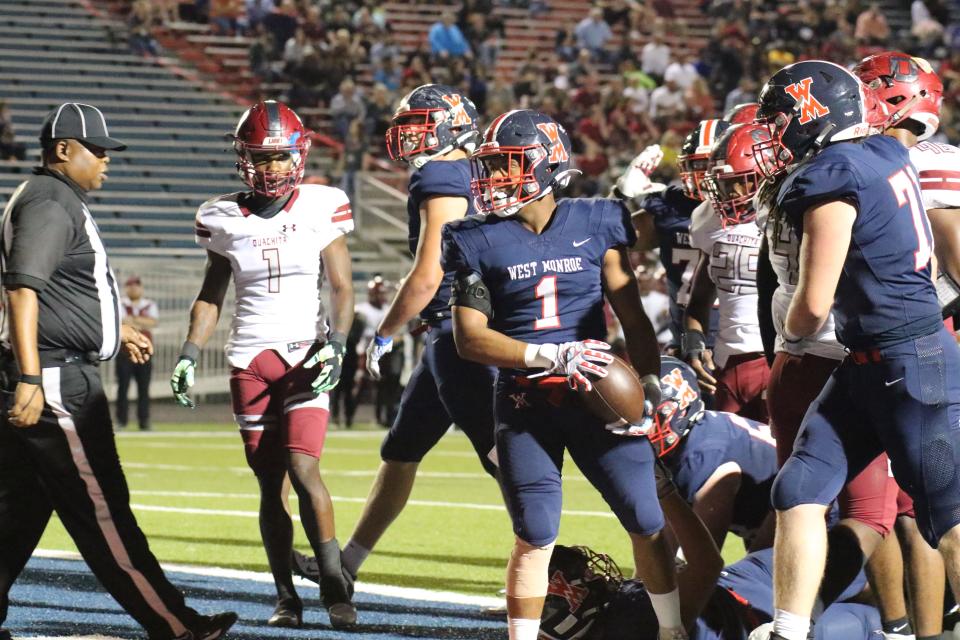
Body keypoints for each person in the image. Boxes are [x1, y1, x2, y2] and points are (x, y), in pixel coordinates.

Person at [442, 109, 685, 640]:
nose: (494, 179)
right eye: (492, 167)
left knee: (645, 518)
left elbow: (634, 317)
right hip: (526, 399)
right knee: (534, 532)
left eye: (507, 166)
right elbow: (469, 337)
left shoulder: (596, 220)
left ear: (548, 166)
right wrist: (550, 357)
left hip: (597, 394)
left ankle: (671, 631)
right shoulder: (474, 238)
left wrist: (649, 387)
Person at [0, 102, 236, 640]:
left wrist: (111, 330)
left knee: (18, 508)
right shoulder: (50, 200)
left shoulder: (50, 197)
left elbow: (56, 291)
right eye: (98, 150)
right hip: (56, 381)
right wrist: (34, 378)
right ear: (64, 150)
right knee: (104, 511)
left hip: (50, 369)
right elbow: (22, 289)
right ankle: (175, 625)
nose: (107, 161)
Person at [749, 60, 960, 640]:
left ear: (811, 113)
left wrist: (791, 331)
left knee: (948, 516)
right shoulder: (886, 154)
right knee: (798, 489)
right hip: (870, 361)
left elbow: (813, 305)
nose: (773, 132)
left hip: (909, 361)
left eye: (778, 118)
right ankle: (789, 630)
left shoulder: (833, 171)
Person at [169, 101, 356, 630]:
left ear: (298, 155)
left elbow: (342, 286)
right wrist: (188, 350)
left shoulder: (323, 205)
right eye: (261, 156)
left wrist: (337, 341)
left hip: (304, 352)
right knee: (268, 482)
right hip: (248, 359)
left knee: (304, 468)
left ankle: (335, 584)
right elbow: (212, 293)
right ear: (244, 158)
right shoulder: (221, 217)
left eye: (280, 156)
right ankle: (285, 597)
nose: (272, 167)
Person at [343, 85, 498, 582]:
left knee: (509, 466)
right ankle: (346, 566)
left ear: (451, 125)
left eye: (419, 126)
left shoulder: (441, 173)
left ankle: (552, 583)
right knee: (400, 451)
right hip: (457, 331)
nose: (409, 138)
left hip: (459, 333)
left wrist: (385, 332)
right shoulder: (476, 170)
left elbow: (429, 273)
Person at [683, 121, 769, 422]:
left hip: (773, 359)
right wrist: (694, 345)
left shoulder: (787, 217)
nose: (728, 193)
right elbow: (698, 301)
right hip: (726, 363)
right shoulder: (709, 220)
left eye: (739, 182)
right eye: (722, 183)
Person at [653, 356, 778, 552]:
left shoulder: (703, 455)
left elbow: (702, 560)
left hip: (816, 523)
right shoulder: (697, 438)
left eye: (652, 414)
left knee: (750, 576)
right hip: (775, 524)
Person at [116, 275, 158, 431]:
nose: (134, 289)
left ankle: (144, 421)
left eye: (136, 286)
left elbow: (153, 322)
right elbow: (121, 322)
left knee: (144, 388)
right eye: (131, 286)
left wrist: (132, 320)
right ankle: (121, 420)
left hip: (144, 350)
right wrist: (139, 321)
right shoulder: (120, 303)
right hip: (125, 351)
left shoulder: (149, 304)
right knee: (123, 387)